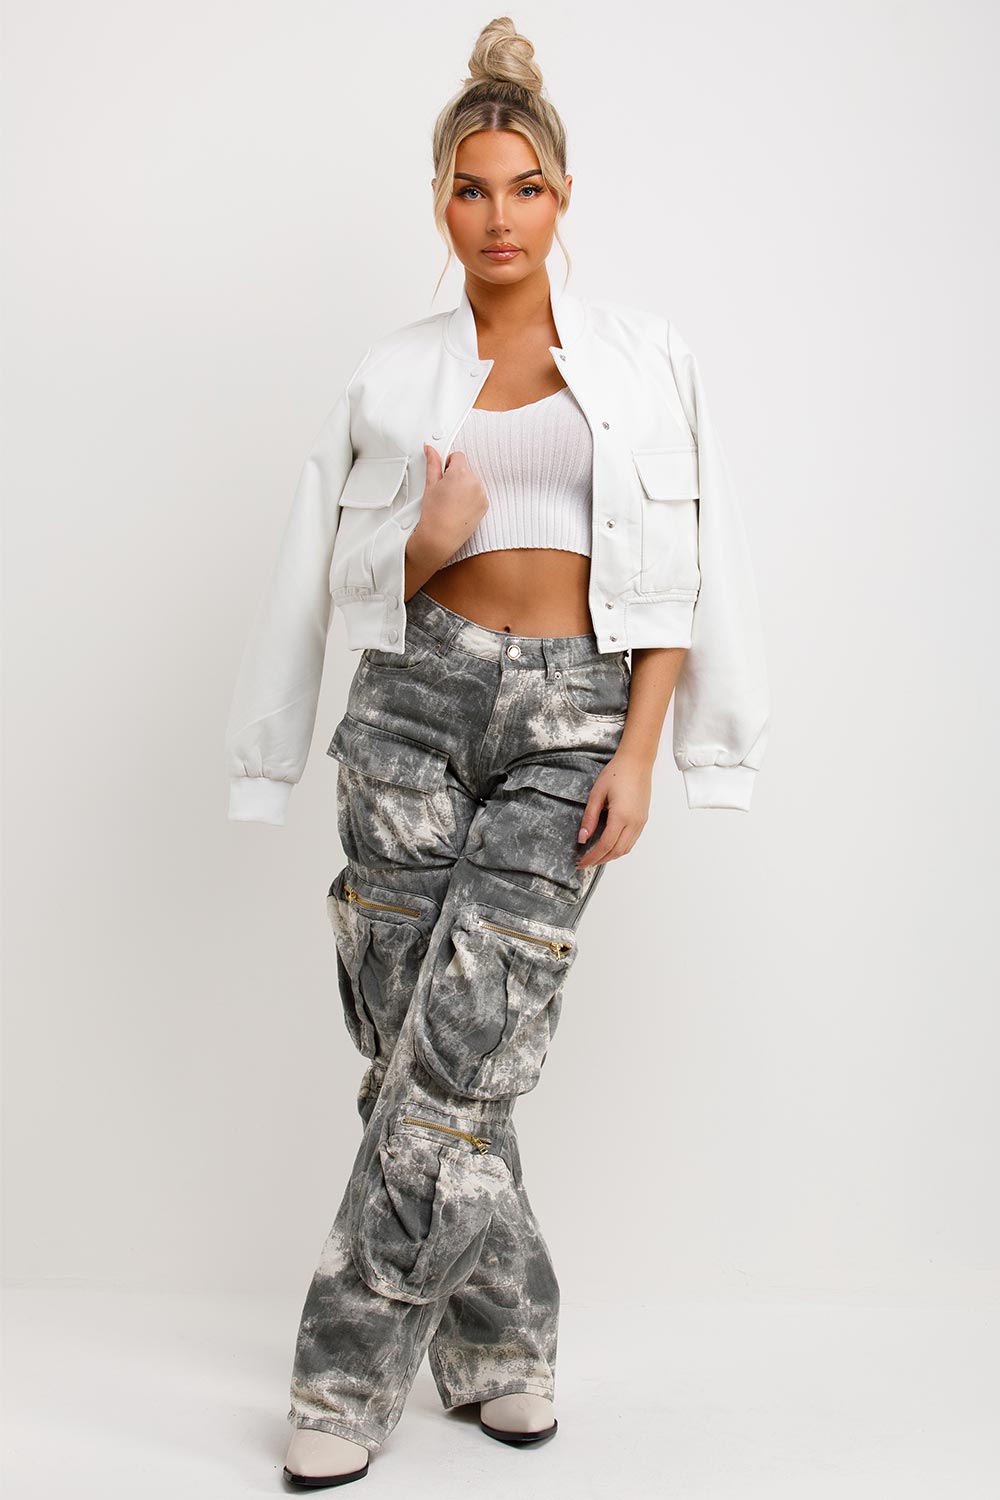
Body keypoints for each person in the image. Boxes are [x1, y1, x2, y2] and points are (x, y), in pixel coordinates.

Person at [224, 16, 769, 1488]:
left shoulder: (647, 361)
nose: (499, 216)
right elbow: (318, 577)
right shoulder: (392, 373)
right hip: (411, 704)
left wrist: (647, 753)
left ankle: (344, 1373)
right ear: (440, 204)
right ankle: (503, 1346)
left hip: (576, 717)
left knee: (466, 1046)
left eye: (524, 187)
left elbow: (687, 572)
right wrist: (423, 543)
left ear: (564, 195)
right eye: (471, 189)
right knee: (412, 1052)